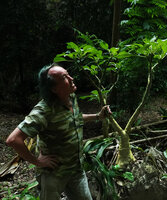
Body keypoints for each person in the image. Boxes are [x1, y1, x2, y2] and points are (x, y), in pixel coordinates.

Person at [6, 63, 111, 200]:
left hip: (76, 169)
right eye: (65, 77)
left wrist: (98, 116)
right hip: (53, 174)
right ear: (54, 89)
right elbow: (13, 140)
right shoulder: (43, 111)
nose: (71, 78)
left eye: (68, 74)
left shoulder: (71, 98)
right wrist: (37, 162)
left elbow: (75, 118)